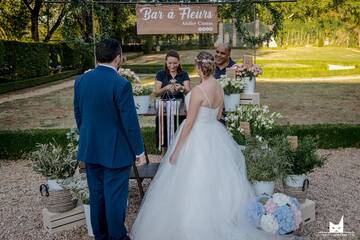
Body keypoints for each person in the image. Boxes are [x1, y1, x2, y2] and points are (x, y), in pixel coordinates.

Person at [130, 51, 295, 240]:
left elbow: (190, 123)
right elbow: (218, 115)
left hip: (197, 135)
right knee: (219, 179)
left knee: (193, 180)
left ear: (199, 68)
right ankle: (223, 217)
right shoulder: (219, 86)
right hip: (215, 133)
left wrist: (175, 151)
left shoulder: (199, 91)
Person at [74, 38, 145, 240]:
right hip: (116, 152)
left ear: (98, 57)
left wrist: (89, 137)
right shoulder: (121, 84)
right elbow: (130, 123)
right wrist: (139, 151)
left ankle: (100, 236)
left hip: (90, 149)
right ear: (118, 58)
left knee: (96, 196)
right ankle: (118, 237)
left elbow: (79, 115)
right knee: (114, 199)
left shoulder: (81, 81)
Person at [154, 50, 191, 149]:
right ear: (166, 62)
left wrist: (182, 88)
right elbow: (156, 92)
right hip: (165, 110)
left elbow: (188, 91)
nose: (172, 66)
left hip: (181, 110)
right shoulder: (161, 74)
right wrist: (165, 88)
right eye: (170, 63)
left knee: (180, 138)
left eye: (175, 63)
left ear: (179, 62)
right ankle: (164, 159)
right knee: (164, 137)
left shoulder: (184, 74)